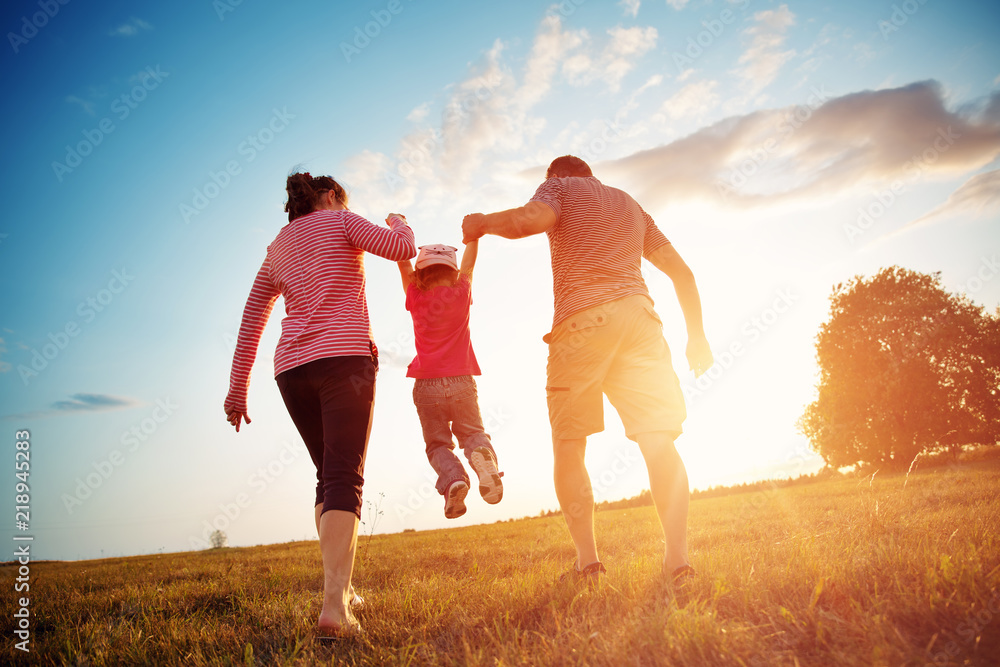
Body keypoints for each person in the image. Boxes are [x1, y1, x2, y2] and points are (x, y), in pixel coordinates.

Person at [462, 155, 713, 584]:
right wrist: (697, 337)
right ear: (591, 174)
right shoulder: (631, 205)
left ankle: (588, 564)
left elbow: (531, 219)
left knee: (570, 444)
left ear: (555, 176)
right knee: (658, 440)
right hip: (640, 322)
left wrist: (482, 222)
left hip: (582, 324)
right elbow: (683, 274)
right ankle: (678, 562)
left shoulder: (558, 188)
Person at [224, 172, 415, 637]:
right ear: (330, 197)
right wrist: (400, 221)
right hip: (343, 359)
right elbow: (401, 249)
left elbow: (252, 318)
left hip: (291, 370)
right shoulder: (341, 220)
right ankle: (334, 608)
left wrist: (236, 387)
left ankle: (342, 590)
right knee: (344, 475)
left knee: (327, 476)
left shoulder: (277, 246)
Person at [396, 240, 503, 519]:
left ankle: (454, 479)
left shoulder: (416, 298)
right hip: (461, 381)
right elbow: (469, 265)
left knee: (438, 445)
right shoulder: (461, 292)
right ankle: (482, 455)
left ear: (420, 275)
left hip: (427, 385)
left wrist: (398, 226)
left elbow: (403, 263)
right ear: (453, 273)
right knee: (472, 433)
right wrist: (474, 238)